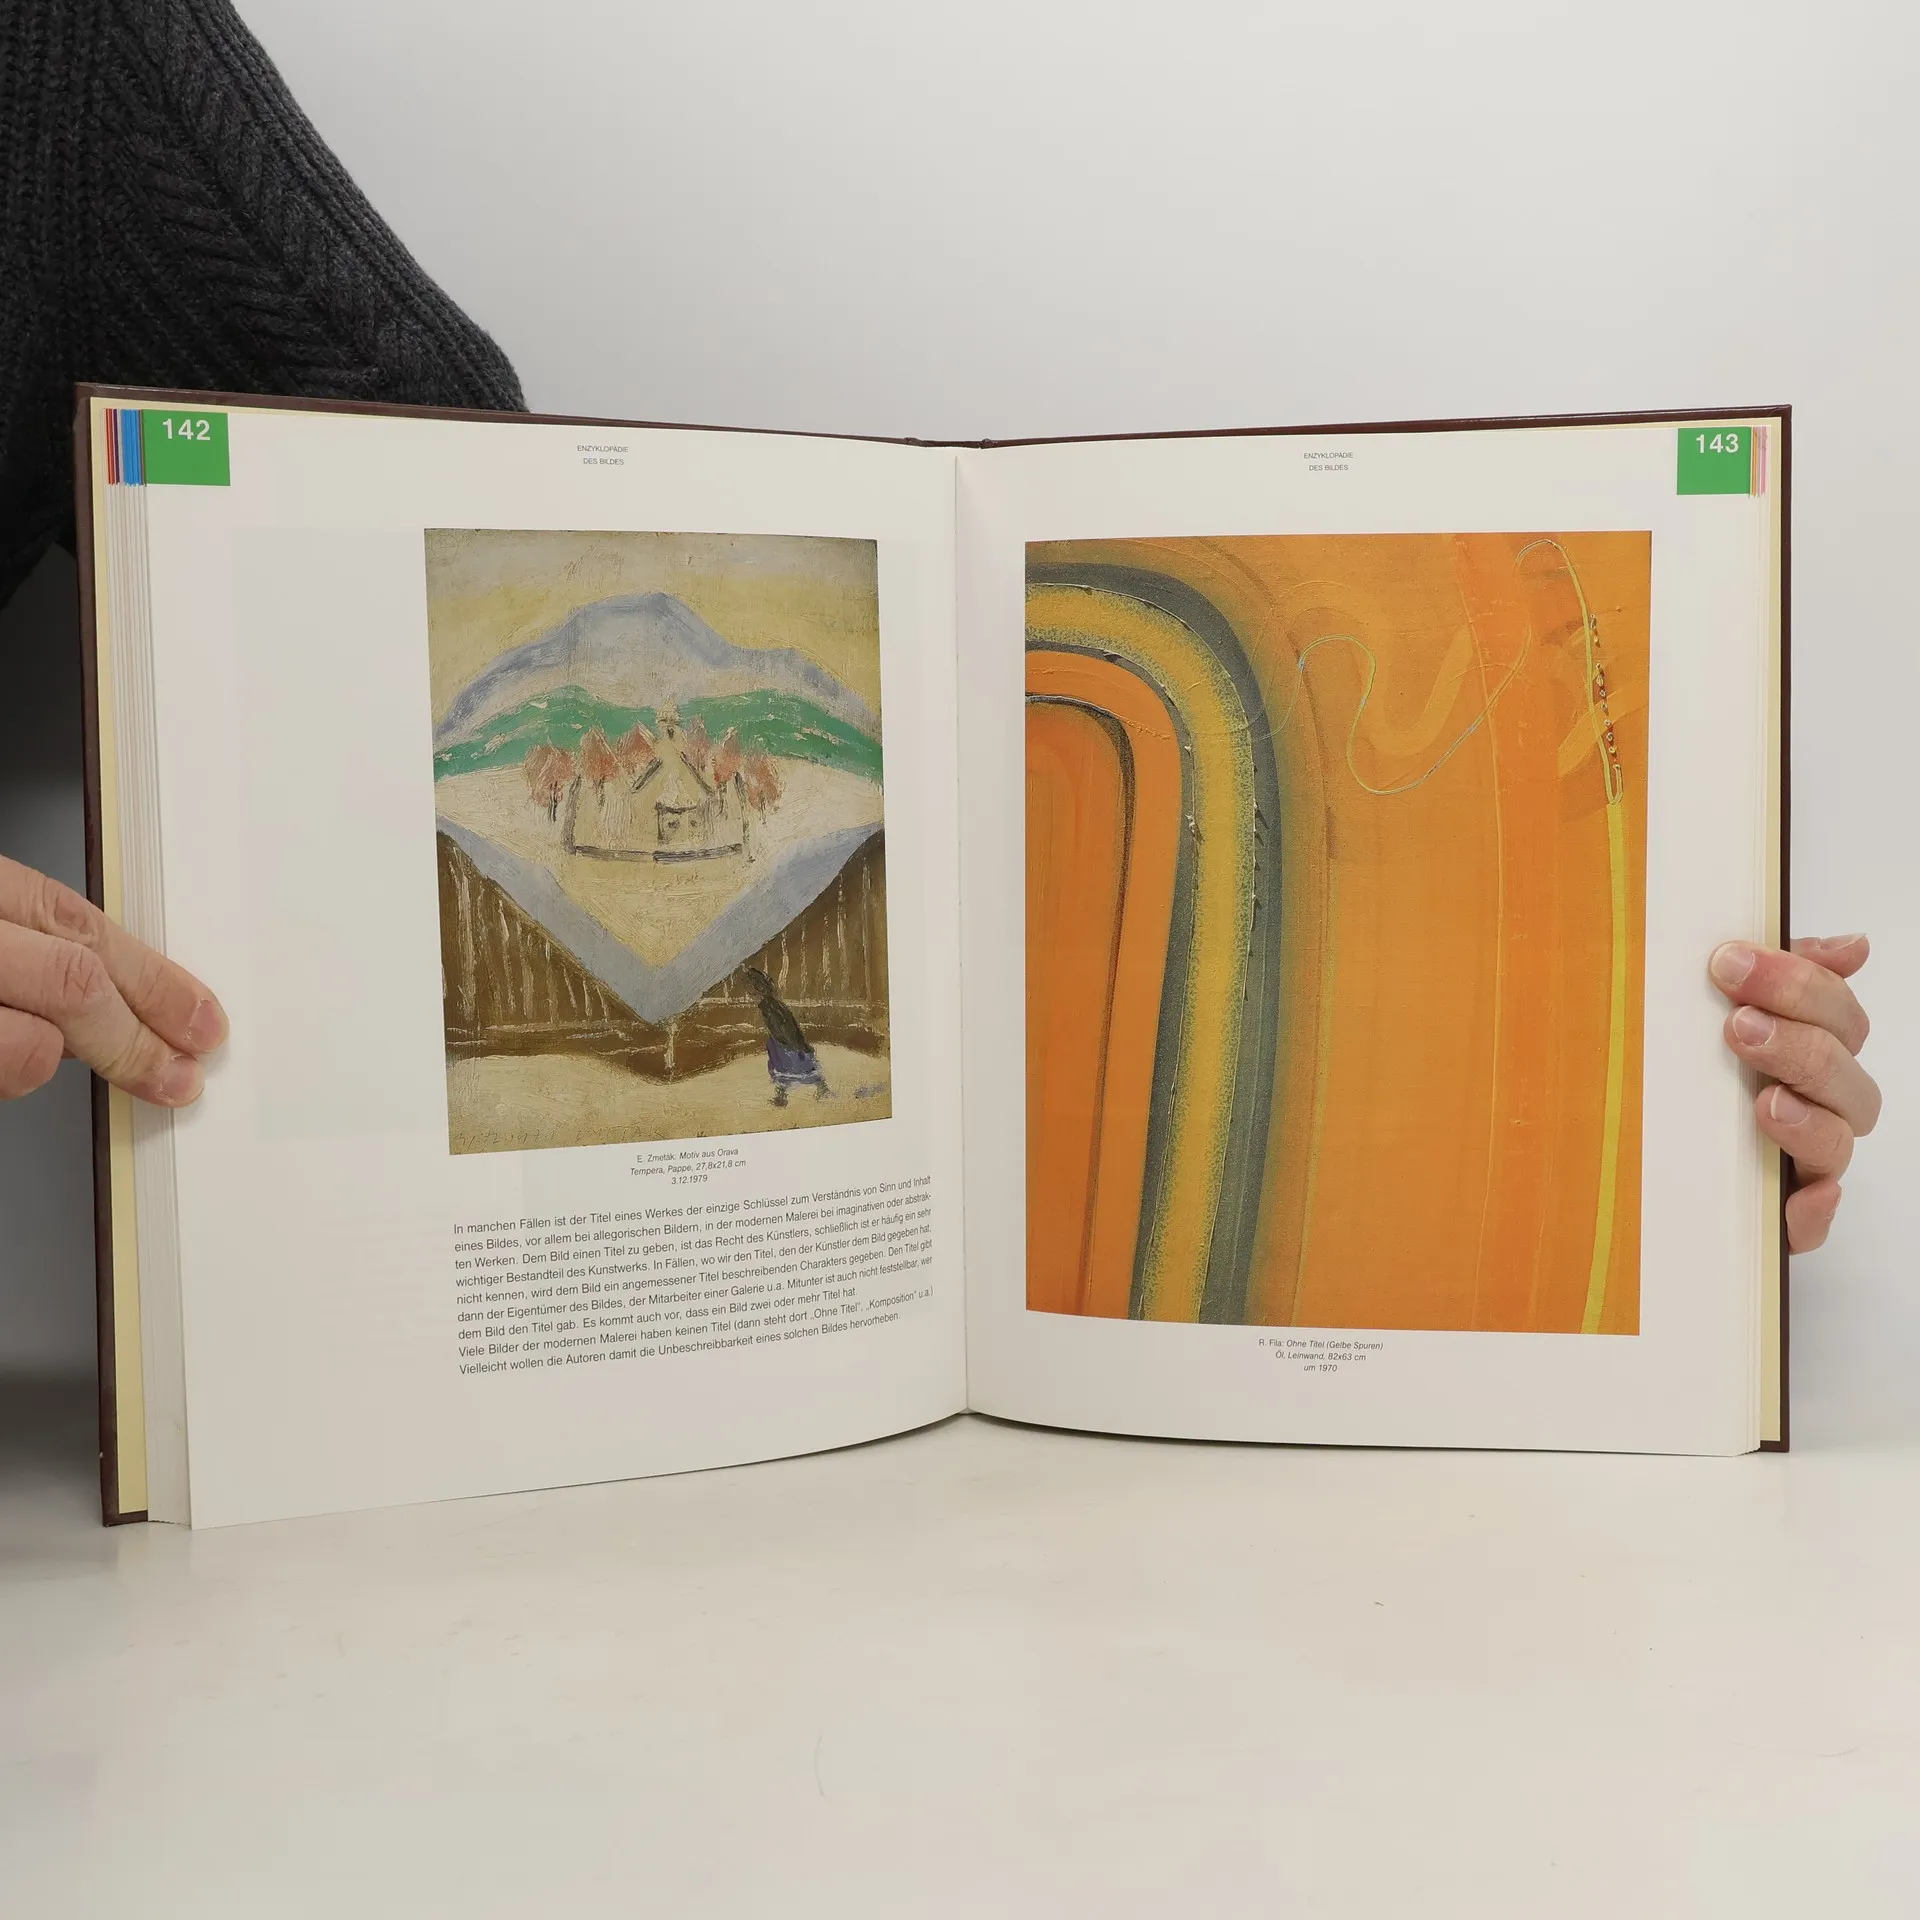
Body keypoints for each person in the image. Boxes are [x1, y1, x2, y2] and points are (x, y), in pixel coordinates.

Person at [737, 965, 832, 1106]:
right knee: (797, 1069)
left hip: (786, 1043)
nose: (749, 996)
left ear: (755, 990)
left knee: (790, 1069)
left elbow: (782, 1027)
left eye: (749, 991)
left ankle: (788, 1096)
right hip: (787, 1043)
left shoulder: (768, 1006)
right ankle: (788, 1095)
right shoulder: (773, 1003)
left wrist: (787, 1044)